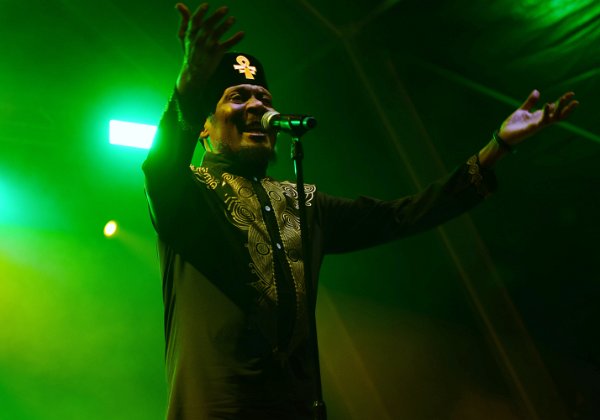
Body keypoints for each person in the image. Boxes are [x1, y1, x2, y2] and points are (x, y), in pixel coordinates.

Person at [142, 3, 579, 419]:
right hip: (217, 409)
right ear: (204, 125)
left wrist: (494, 150)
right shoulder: (190, 192)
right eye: (238, 97)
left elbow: (400, 215)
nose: (257, 106)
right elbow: (160, 167)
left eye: (263, 96)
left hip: (295, 409)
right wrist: (188, 82)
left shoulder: (303, 200)